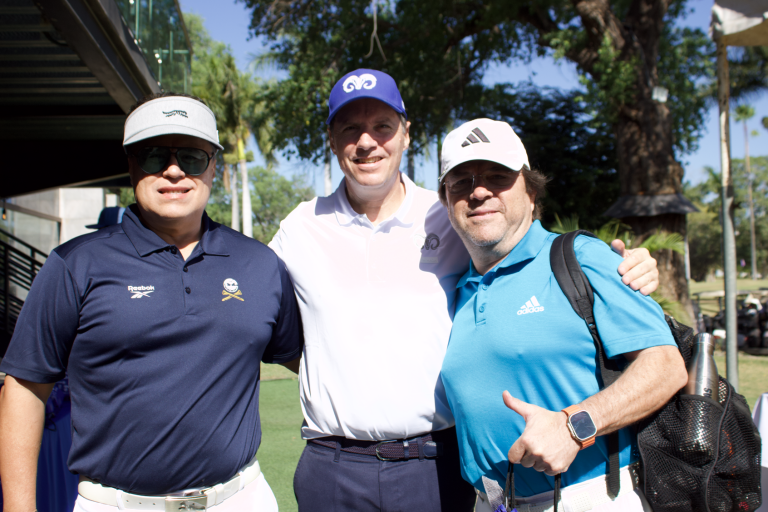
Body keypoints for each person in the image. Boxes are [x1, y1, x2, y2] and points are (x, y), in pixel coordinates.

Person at [269, 69, 661, 511]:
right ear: (331, 138)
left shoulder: (448, 216)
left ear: (406, 133)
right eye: (349, 129)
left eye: (382, 126)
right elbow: (260, 318)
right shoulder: (299, 228)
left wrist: (627, 267)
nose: (366, 142)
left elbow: (530, 250)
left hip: (433, 464)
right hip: (334, 464)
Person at [0, 92, 303, 512]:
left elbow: (302, 359)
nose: (174, 170)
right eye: (155, 155)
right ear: (130, 164)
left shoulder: (258, 263)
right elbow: (26, 386)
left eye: (193, 157)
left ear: (214, 165)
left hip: (239, 499)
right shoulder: (75, 264)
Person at [437, 118, 688, 512]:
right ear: (446, 202)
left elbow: (666, 367)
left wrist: (574, 427)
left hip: (586, 498)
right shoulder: (457, 291)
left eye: (497, 176)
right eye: (461, 181)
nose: (479, 191)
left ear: (531, 191)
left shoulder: (581, 258)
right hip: (492, 503)